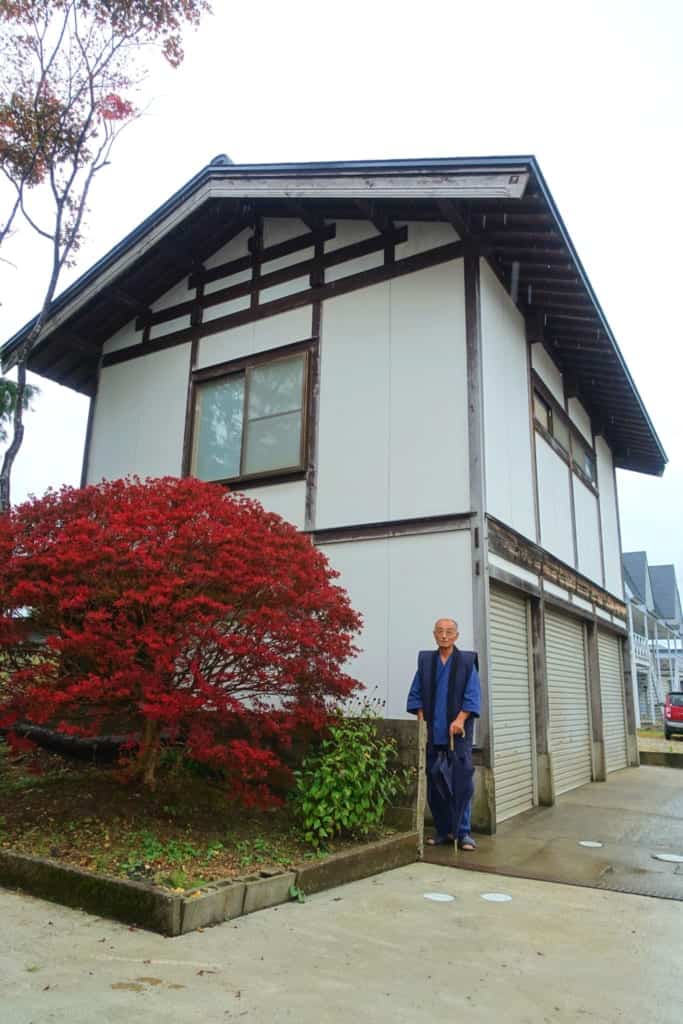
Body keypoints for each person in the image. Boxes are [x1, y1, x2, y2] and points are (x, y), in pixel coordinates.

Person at [406, 618, 480, 851]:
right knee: (435, 784)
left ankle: (463, 832)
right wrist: (420, 720)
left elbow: (472, 693)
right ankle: (442, 830)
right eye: (440, 631)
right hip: (433, 734)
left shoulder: (467, 662)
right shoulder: (427, 662)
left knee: (460, 781)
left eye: (449, 632)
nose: (444, 636)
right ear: (434, 635)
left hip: (457, 735)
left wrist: (460, 719)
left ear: (456, 635)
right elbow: (416, 693)